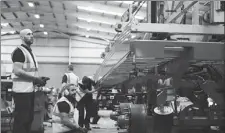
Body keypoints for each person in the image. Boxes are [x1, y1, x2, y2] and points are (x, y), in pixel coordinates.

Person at [11, 29, 46, 133]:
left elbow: (30, 72)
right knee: (21, 120)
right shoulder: (19, 51)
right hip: (21, 91)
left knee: (29, 119)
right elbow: (17, 71)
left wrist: (39, 80)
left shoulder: (30, 53)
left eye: (32, 34)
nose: (31, 36)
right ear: (22, 37)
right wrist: (35, 79)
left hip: (29, 90)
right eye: (28, 34)